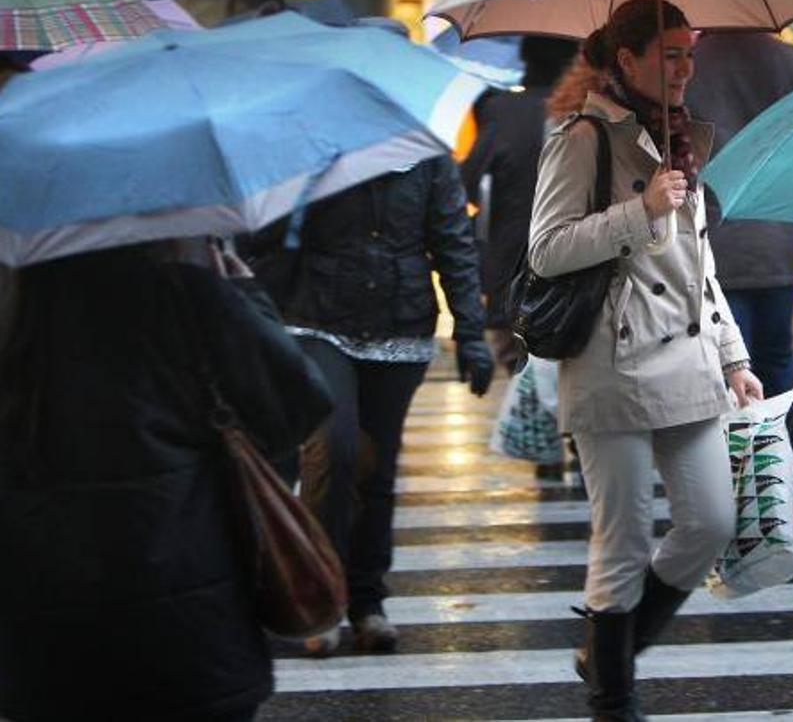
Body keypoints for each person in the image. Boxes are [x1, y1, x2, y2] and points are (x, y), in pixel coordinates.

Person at [528, 0, 762, 721]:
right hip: (611, 363)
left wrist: (733, 356)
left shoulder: (679, 138)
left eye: (690, 52)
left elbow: (700, 265)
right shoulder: (583, 136)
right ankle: (614, 701)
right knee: (623, 538)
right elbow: (546, 250)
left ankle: (609, 655)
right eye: (670, 54)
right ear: (625, 59)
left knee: (710, 523)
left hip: (687, 361)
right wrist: (642, 211)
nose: (685, 68)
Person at [0, 240, 333, 722]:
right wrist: (243, 292)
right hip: (191, 624)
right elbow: (293, 408)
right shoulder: (185, 295)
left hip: (46, 640)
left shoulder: (15, 315)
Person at [241, 154, 494, 656]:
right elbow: (262, 236)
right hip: (315, 319)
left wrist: (471, 333)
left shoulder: (429, 157)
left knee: (374, 470)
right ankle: (320, 600)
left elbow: (452, 243)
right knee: (332, 451)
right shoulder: (311, 148)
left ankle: (366, 602)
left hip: (399, 325)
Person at [685, 31, 793, 396]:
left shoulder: (687, 64)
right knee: (777, 356)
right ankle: (780, 447)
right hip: (781, 234)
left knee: (728, 365)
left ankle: (733, 452)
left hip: (717, 236)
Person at [461, 35, 577, 374]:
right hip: (576, 269)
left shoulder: (503, 111)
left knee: (523, 379)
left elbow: (465, 183)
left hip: (513, 269)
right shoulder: (589, 110)